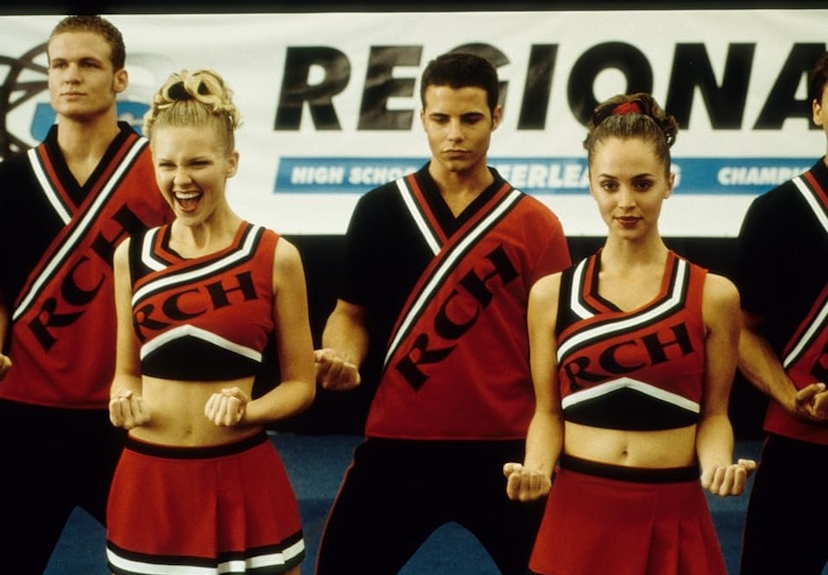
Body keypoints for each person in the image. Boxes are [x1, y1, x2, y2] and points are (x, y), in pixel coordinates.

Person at [313, 51, 572, 575]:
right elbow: (350, 314)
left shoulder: (535, 224)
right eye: (441, 119)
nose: (455, 134)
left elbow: (560, 348)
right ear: (422, 118)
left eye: (471, 119)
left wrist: (549, 454)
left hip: (508, 451)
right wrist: (343, 355)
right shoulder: (380, 210)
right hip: (398, 444)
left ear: (496, 117)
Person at [503, 92, 755, 575]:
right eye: (609, 185)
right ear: (591, 187)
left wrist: (718, 463)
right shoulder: (550, 295)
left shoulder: (714, 295)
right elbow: (547, 414)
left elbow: (715, 416)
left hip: (673, 512)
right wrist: (535, 467)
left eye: (642, 184)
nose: (626, 202)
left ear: (669, 184)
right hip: (578, 513)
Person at [0, 15, 173, 575]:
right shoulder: (8, 181)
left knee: (174, 562)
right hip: (27, 416)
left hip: (131, 415)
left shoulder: (161, 172)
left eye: (88, 64)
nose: (71, 76)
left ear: (120, 79)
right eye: (59, 64)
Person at [105, 68, 315, 575]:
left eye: (198, 162)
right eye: (167, 164)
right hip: (149, 481)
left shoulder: (275, 255)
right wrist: (120, 402)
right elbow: (125, 372)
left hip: (241, 476)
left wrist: (252, 410)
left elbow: (302, 386)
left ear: (231, 162)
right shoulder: (130, 255)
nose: (181, 180)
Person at [736, 51, 828, 575]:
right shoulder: (776, 213)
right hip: (798, 448)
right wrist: (788, 394)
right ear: (817, 110)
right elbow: (744, 333)